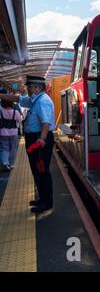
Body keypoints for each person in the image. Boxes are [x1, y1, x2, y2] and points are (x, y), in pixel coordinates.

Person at [0, 76, 55, 213]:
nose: (27, 89)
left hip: (39, 140)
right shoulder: (34, 99)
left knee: (42, 171)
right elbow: (18, 99)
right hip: (34, 139)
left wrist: (41, 139)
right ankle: (42, 198)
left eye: (29, 86)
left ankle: (46, 202)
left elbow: (46, 123)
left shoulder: (42, 101)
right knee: (37, 170)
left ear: (39, 87)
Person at [0, 98, 23, 171]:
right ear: (12, 103)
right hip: (14, 133)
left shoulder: (1, 112)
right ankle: (11, 164)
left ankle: (5, 162)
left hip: (3, 132)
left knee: (4, 148)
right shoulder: (15, 112)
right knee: (13, 148)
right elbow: (20, 120)